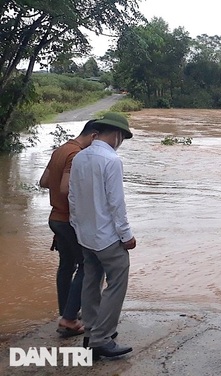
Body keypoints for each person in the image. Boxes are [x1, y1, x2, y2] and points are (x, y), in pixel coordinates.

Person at [69, 112, 136, 358]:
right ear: (117, 135)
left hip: (85, 234)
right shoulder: (111, 160)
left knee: (91, 281)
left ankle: (91, 332)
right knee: (116, 282)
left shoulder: (80, 157)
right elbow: (116, 203)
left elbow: (72, 197)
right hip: (107, 236)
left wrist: (78, 226)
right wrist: (126, 235)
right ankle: (101, 338)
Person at [39, 120, 98, 337]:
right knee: (87, 264)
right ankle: (70, 318)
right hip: (68, 220)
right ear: (93, 137)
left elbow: (44, 181)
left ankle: (66, 312)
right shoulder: (76, 155)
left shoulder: (60, 150)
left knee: (66, 266)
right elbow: (65, 188)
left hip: (55, 218)